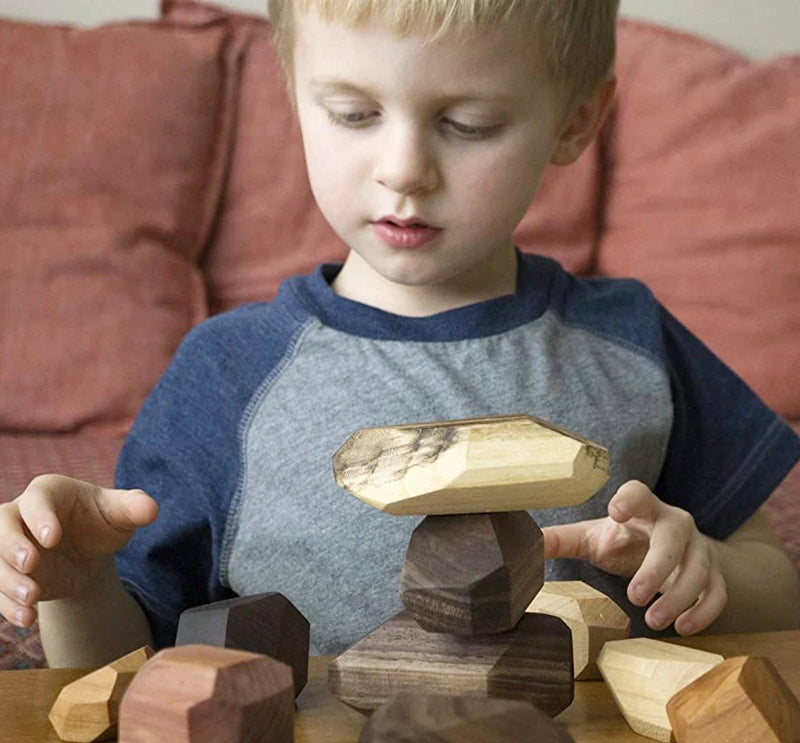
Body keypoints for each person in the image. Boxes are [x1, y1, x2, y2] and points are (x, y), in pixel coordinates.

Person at [1, 0, 798, 668]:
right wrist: (76, 587)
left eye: (468, 123)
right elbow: (119, 672)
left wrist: (707, 574)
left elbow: (778, 589)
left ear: (575, 120)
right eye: (355, 114)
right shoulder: (225, 373)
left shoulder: (635, 344)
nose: (404, 169)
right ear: (295, 97)